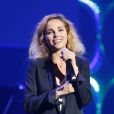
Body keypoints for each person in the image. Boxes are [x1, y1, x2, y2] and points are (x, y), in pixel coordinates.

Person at [24, 13, 92, 114]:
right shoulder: (36, 65)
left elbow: (85, 100)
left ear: (67, 34)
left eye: (60, 30)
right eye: (50, 32)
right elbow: (28, 105)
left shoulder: (81, 63)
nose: (56, 35)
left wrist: (74, 68)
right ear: (44, 38)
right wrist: (57, 92)